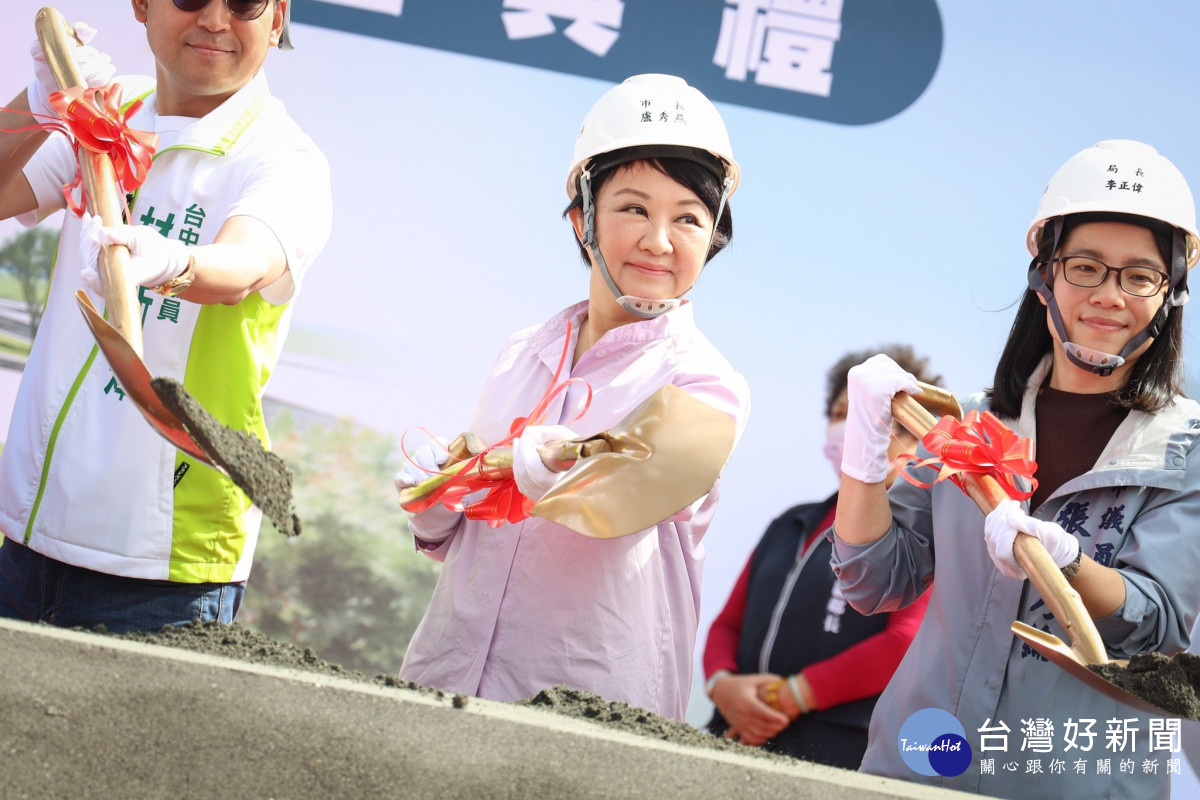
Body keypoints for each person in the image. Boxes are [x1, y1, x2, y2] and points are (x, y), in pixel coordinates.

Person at [831, 139, 1200, 799]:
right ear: (1044, 274)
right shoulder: (969, 426)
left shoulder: (1189, 449)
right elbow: (872, 582)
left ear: (1171, 294)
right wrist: (863, 458)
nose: (1110, 296)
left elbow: (1158, 622)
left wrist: (1067, 565)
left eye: (1140, 276)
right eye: (1085, 266)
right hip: (919, 769)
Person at [393, 74, 751, 722]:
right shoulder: (520, 352)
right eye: (634, 208)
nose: (659, 240)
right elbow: (477, 520)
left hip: (588, 721)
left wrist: (531, 462)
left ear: (714, 235)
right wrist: (438, 500)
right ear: (582, 217)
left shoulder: (706, 385)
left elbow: (617, 495)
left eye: (688, 218)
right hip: (442, 690)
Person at [0, 1, 331, 632]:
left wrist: (172, 260)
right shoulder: (108, 110)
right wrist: (40, 102)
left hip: (160, 572)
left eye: (243, 3)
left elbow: (244, 264)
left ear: (278, 15)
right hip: (27, 537)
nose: (214, 20)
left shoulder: (284, 158)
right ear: (143, 5)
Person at [702, 344, 938, 767]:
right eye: (841, 413)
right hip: (732, 732)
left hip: (838, 749)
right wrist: (723, 686)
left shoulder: (925, 532)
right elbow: (727, 623)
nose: (856, 427)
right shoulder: (792, 522)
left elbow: (905, 640)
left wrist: (795, 695)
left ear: (919, 439)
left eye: (883, 416)